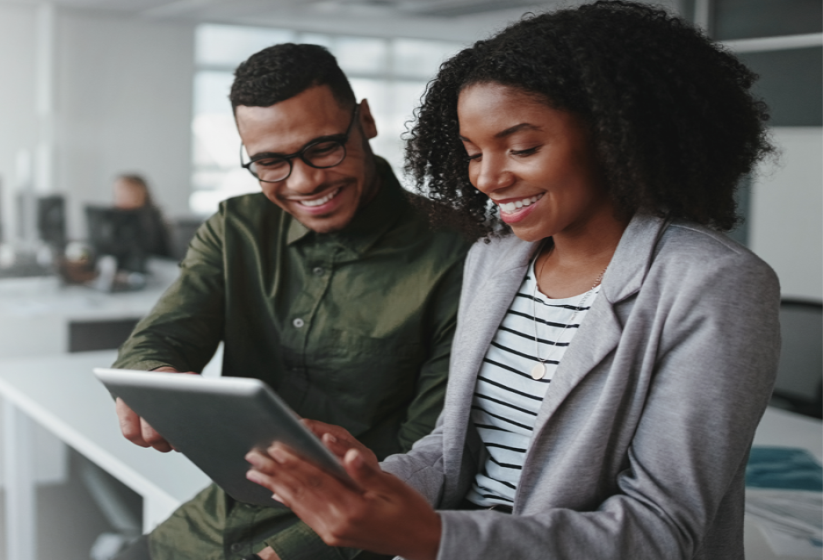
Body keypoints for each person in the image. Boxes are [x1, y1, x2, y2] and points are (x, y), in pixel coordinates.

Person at [241, 3, 780, 559]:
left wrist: (433, 537)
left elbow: (660, 528)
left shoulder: (714, 284)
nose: (488, 178)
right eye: (473, 153)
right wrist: (367, 481)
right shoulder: (493, 260)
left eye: (522, 148)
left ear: (615, 133)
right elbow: (453, 452)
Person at [111, 44, 471, 560]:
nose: (305, 182)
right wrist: (151, 378)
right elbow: (160, 337)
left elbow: (432, 453)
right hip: (212, 523)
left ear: (364, 120)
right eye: (270, 162)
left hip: (342, 540)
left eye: (324, 148)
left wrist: (296, 550)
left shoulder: (461, 254)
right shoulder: (236, 227)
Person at [110, 173, 173, 260]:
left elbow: (143, 251)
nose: (119, 198)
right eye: (117, 194)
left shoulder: (150, 218)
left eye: (124, 192)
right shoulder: (115, 218)